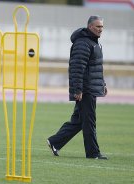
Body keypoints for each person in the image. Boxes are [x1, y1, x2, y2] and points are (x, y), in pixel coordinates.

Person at [46, 15, 108, 159]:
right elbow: (77, 68)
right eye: (98, 27)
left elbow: (95, 67)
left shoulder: (95, 43)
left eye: (102, 27)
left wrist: (102, 84)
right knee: (89, 121)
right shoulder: (83, 43)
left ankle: (54, 141)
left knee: (79, 121)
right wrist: (77, 89)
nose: (101, 30)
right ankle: (93, 153)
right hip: (86, 90)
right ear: (90, 27)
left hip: (91, 87)